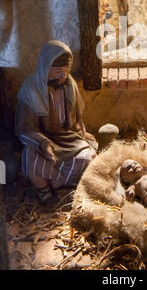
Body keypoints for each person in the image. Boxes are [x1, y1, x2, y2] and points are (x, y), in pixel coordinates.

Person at [15, 40, 98, 207]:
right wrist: (43, 142)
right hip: (44, 139)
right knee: (29, 156)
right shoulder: (31, 89)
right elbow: (25, 128)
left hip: (68, 139)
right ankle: (44, 189)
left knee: (88, 156)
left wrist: (82, 132)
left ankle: (60, 185)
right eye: (58, 71)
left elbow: (77, 119)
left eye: (66, 71)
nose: (63, 76)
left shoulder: (69, 84)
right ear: (46, 68)